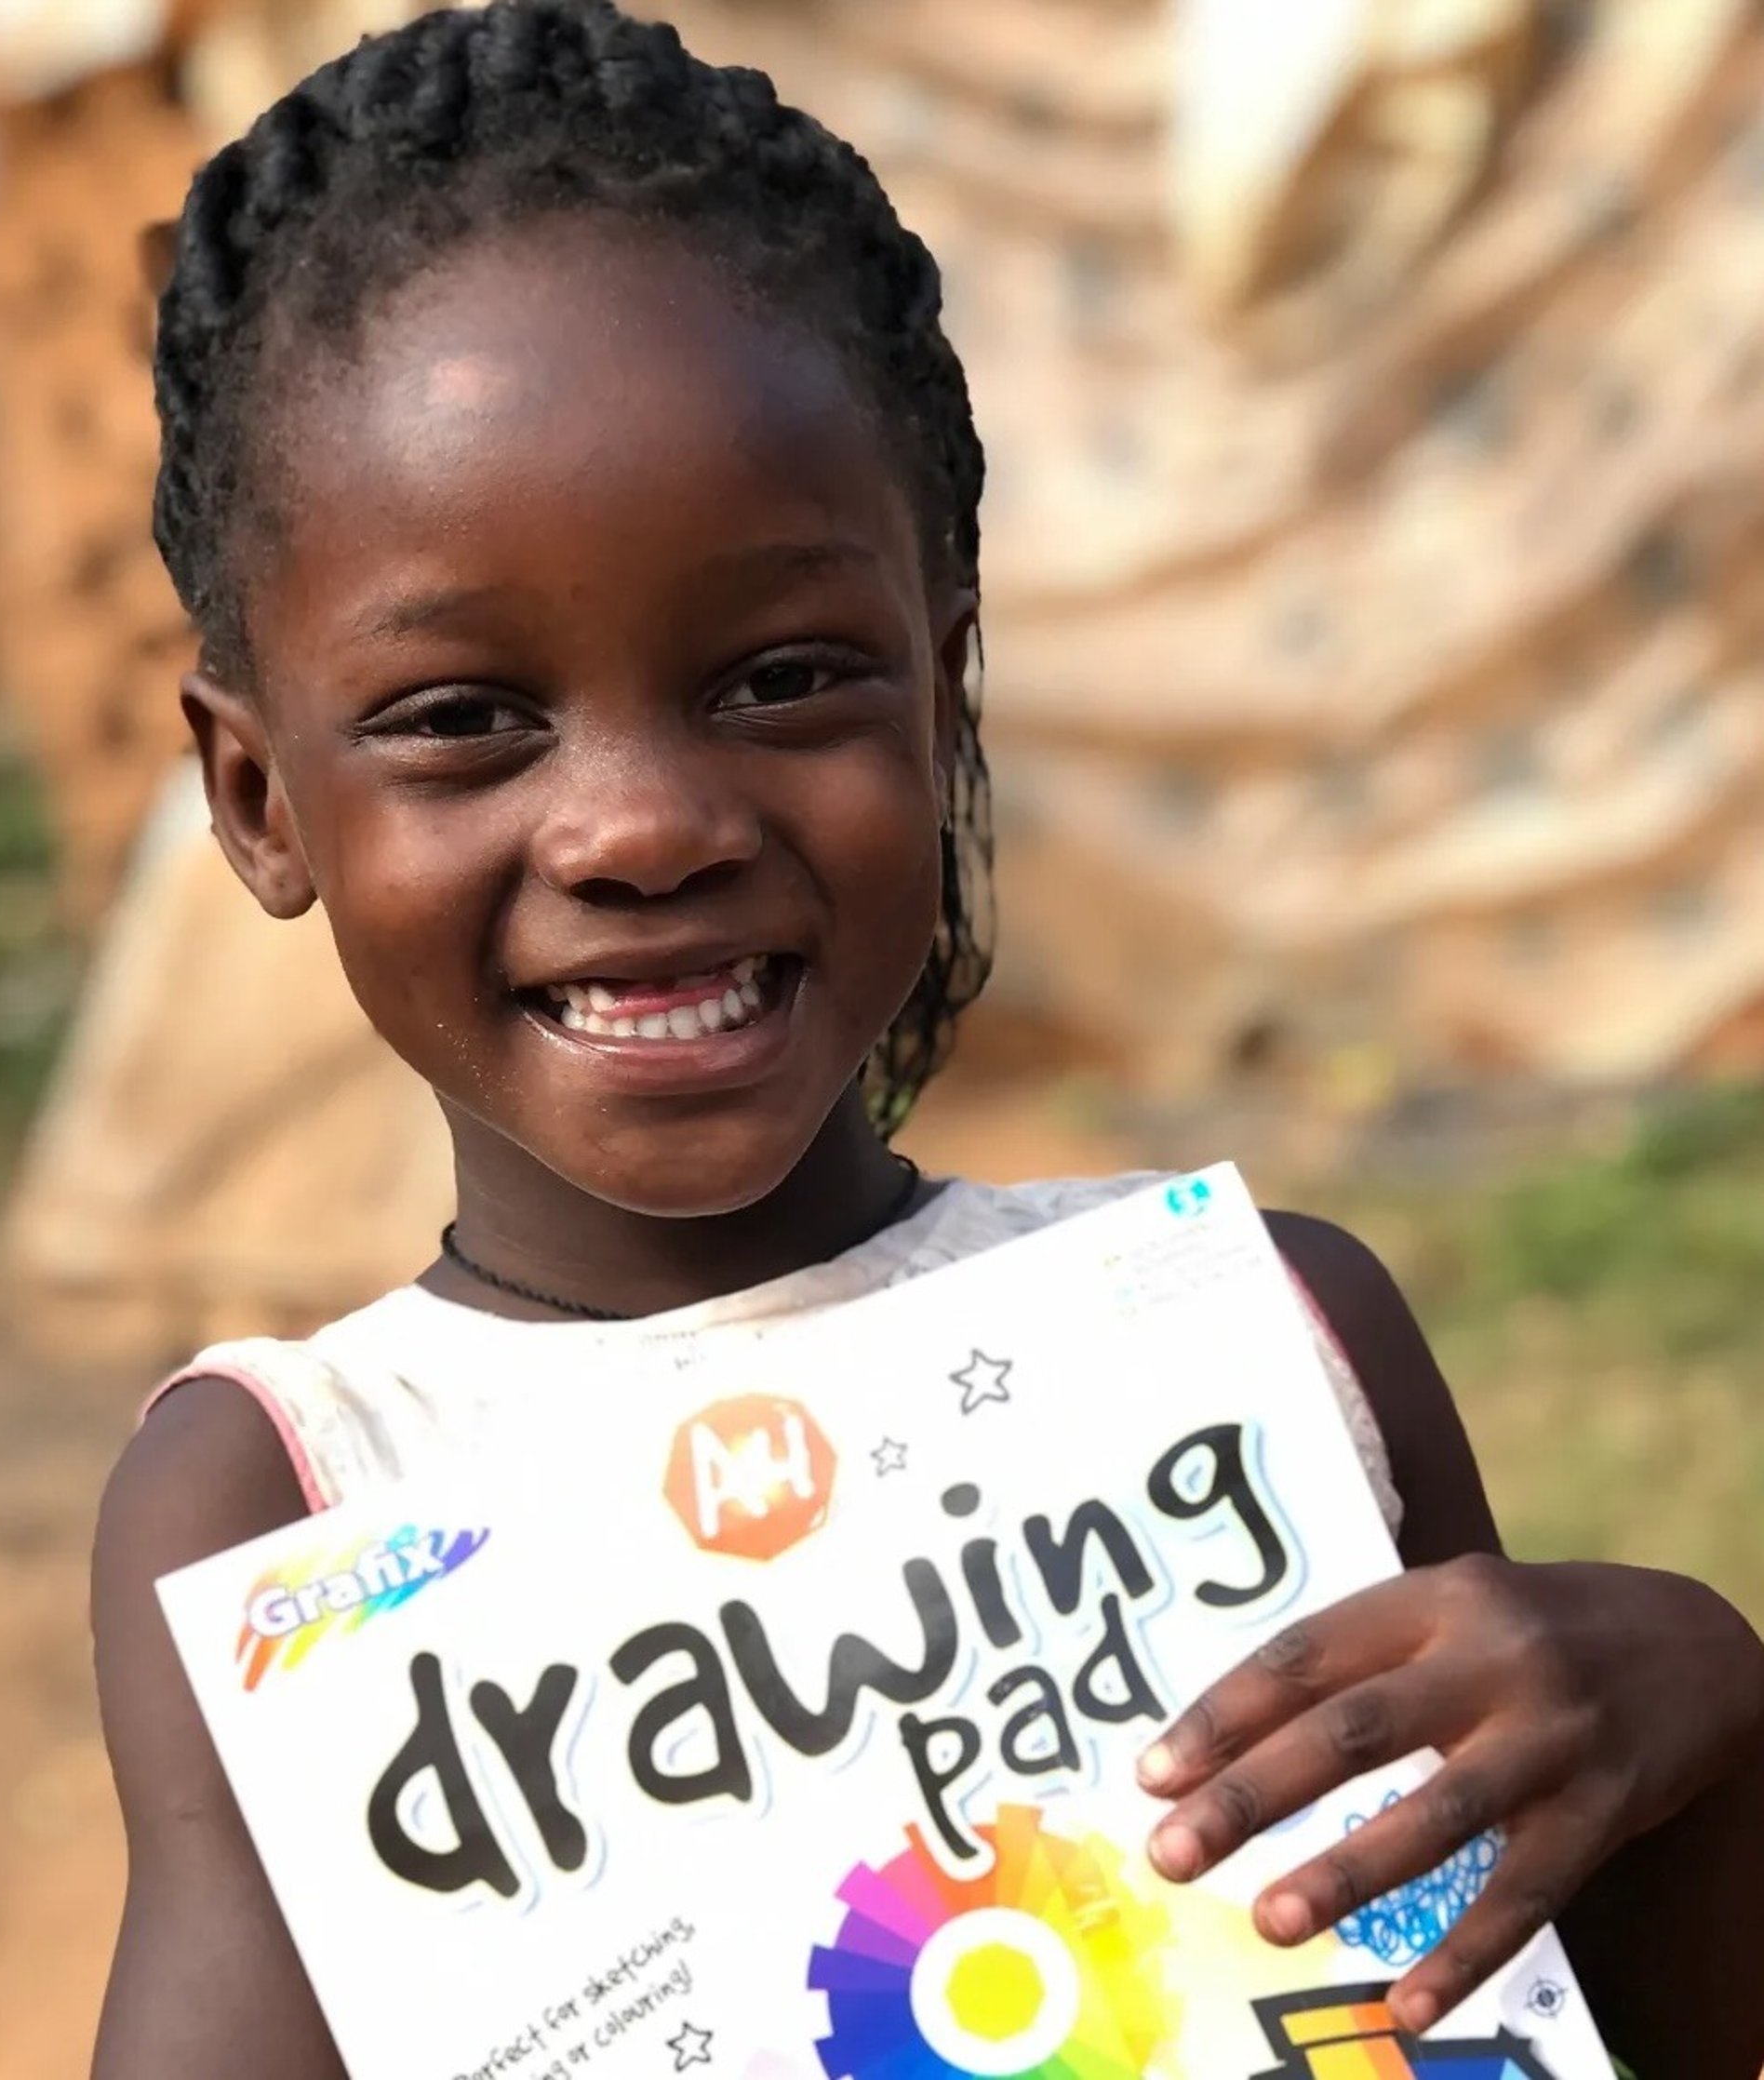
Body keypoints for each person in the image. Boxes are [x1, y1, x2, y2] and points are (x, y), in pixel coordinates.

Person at [89, 6, 1764, 2076]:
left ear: (944, 691)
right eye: (466, 716)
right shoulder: (286, 1510)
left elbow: (1553, 2017)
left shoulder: (1273, 1336)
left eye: (783, 674)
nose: (644, 824)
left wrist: (1701, 1737)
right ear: (258, 799)